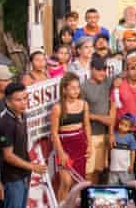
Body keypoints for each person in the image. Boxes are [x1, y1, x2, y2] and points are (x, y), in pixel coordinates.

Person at [0, 82, 47, 208]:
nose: (24, 102)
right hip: (11, 178)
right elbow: (8, 155)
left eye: (25, 98)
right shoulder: (6, 123)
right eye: (18, 100)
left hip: (24, 174)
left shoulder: (23, 115)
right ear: (8, 102)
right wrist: (32, 167)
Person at [51, 73, 91, 201]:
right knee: (66, 182)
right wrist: (61, 153)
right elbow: (54, 133)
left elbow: (87, 126)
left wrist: (89, 145)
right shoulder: (57, 108)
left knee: (79, 184)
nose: (76, 91)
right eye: (72, 88)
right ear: (64, 90)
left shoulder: (84, 104)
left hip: (80, 145)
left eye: (78, 87)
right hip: (64, 146)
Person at [82, 55, 115, 183]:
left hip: (105, 134)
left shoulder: (107, 81)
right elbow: (81, 112)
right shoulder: (84, 87)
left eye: (104, 70)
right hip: (91, 135)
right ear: (91, 69)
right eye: (99, 70)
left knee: (98, 170)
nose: (102, 73)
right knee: (88, 172)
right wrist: (100, 118)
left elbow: (122, 76)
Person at [115, 51, 136, 132]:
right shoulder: (119, 85)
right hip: (121, 129)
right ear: (127, 69)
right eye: (132, 68)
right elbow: (113, 109)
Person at [108, 113, 136, 184]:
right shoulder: (113, 135)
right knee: (112, 185)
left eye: (126, 125)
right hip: (114, 167)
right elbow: (109, 149)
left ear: (130, 128)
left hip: (125, 168)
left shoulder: (130, 137)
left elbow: (133, 152)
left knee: (128, 185)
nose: (122, 126)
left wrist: (131, 164)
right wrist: (107, 161)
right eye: (121, 124)